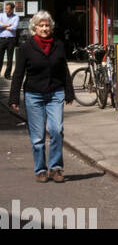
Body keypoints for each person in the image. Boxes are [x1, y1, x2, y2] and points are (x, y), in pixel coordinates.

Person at [8, 10, 74, 182]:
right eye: (41, 26)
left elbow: (63, 69)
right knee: (38, 137)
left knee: (56, 130)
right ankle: (40, 170)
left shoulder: (58, 45)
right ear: (35, 28)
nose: (44, 28)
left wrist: (69, 91)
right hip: (34, 95)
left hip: (55, 93)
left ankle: (56, 168)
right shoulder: (26, 47)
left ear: (51, 27)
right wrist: (14, 97)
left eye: (47, 25)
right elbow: (18, 74)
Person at [0, 1, 19, 77]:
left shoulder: (16, 17)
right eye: (6, 8)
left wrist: (3, 25)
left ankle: (7, 75)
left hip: (11, 40)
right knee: (0, 58)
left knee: (10, 59)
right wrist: (7, 25)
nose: (6, 10)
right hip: (1, 39)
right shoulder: (1, 15)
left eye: (8, 9)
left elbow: (15, 27)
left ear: (12, 9)